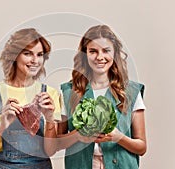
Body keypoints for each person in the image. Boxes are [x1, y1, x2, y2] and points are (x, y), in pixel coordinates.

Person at [48, 25, 147, 169]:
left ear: (115, 53)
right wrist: (77, 135)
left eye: (106, 51)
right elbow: (56, 144)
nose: (100, 57)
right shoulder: (69, 92)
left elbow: (142, 147)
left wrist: (119, 137)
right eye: (93, 51)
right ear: (85, 54)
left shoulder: (131, 91)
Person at [0, 28, 61, 169]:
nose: (35, 60)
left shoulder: (49, 94)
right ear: (14, 56)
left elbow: (50, 151)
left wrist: (49, 119)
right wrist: (2, 126)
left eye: (40, 55)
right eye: (28, 53)